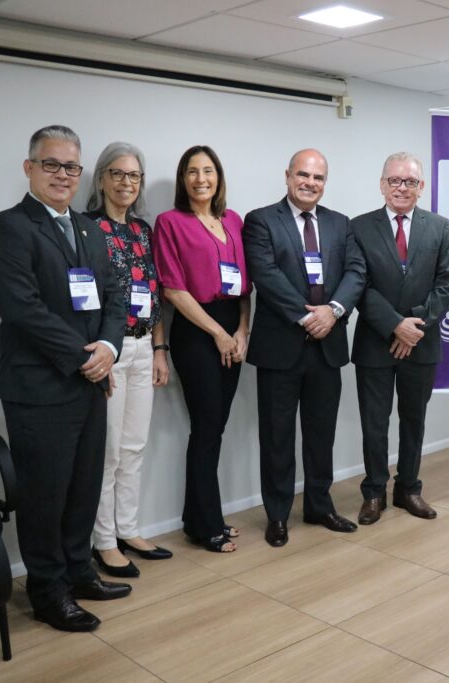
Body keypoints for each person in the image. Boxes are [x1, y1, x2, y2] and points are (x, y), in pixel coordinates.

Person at [0, 125, 130, 633]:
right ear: (29, 168)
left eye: (71, 166)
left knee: (84, 487)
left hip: (90, 382)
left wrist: (108, 348)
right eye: (51, 164)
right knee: (46, 494)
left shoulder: (89, 230)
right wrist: (86, 358)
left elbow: (114, 294)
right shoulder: (6, 228)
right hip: (40, 388)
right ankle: (47, 591)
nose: (62, 175)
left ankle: (79, 571)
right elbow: (23, 309)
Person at [244, 149, 366, 547]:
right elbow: (266, 274)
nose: (310, 182)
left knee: (320, 433)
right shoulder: (261, 220)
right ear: (287, 176)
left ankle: (319, 505)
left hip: (327, 346)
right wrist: (306, 316)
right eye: (303, 174)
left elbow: (355, 273)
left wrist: (332, 312)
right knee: (277, 436)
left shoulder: (340, 224)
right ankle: (278, 515)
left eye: (317, 177)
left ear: (324, 182)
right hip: (281, 346)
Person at [351, 152, 449, 525]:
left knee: (414, 420)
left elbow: (448, 283)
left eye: (410, 182)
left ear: (421, 187)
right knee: (374, 422)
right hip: (374, 343)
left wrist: (414, 328)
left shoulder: (440, 227)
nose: (402, 187)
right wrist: (395, 324)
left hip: (422, 343)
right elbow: (358, 286)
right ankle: (375, 492)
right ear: (382, 184)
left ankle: (409, 489)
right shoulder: (359, 228)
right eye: (394, 180)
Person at [153, 145, 251, 553]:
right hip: (197, 332)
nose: (201, 179)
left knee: (217, 428)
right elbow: (173, 290)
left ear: (218, 176)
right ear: (183, 179)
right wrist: (218, 333)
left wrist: (243, 330)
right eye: (192, 172)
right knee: (206, 429)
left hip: (233, 327)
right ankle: (205, 524)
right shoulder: (170, 222)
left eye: (208, 171)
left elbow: (246, 285)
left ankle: (200, 517)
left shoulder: (233, 220)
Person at [85, 142, 173, 576]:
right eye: (117, 174)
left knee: (135, 447)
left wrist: (159, 349)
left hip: (143, 347)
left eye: (134, 176)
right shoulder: (86, 230)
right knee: (108, 452)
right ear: (101, 178)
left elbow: (153, 294)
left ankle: (128, 528)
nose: (126, 182)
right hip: (110, 350)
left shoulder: (143, 231)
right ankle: (103, 541)